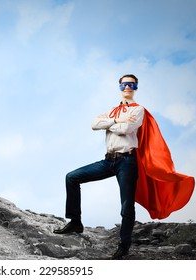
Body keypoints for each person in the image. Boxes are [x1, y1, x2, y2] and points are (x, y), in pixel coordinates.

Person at [53, 74, 144, 260]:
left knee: (127, 205)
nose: (127, 87)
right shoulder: (112, 111)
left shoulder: (139, 110)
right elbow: (94, 124)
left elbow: (127, 129)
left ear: (135, 88)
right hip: (108, 160)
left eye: (131, 85)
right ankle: (75, 222)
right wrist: (115, 122)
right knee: (72, 177)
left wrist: (110, 125)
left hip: (127, 161)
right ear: (119, 87)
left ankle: (123, 247)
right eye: (124, 84)